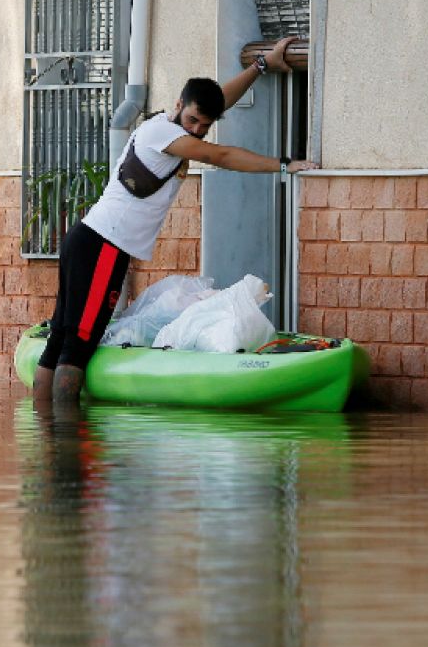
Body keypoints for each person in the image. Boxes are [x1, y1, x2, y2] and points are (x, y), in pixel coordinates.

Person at [32, 36, 317, 408]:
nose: (198, 130)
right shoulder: (164, 135)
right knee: (78, 342)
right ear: (178, 105)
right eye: (193, 120)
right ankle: (65, 446)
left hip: (91, 239)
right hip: (103, 244)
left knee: (62, 338)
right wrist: (284, 165)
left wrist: (259, 66)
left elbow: (218, 101)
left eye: (205, 124)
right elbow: (223, 155)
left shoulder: (171, 126)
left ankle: (47, 439)